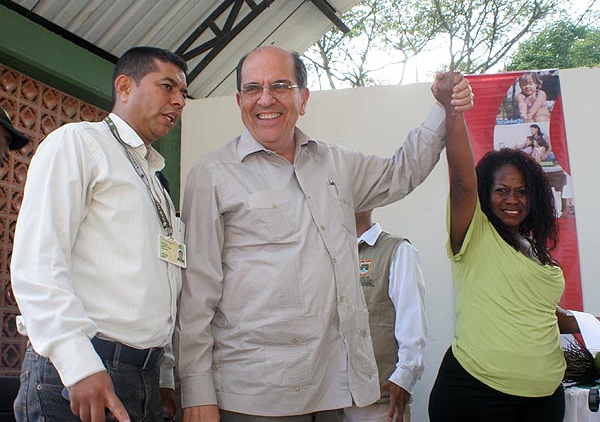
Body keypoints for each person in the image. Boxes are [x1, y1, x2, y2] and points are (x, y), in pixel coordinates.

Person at [176, 45, 473, 422]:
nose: (265, 99)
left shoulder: (335, 163)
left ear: (303, 98)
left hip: (333, 390)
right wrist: (196, 390)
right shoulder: (212, 174)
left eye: (280, 86)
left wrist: (443, 108)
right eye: (252, 88)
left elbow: (401, 172)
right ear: (239, 101)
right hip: (255, 397)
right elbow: (196, 291)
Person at [11, 46, 188, 422]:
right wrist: (77, 363)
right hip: (83, 371)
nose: (179, 100)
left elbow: (161, 281)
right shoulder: (78, 143)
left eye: (183, 93)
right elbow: (38, 264)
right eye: (167, 86)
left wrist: (163, 375)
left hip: (145, 377)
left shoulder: (156, 181)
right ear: (124, 87)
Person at [428, 71, 579, 422]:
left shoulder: (533, 248)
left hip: (544, 399)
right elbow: (462, 181)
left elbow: (540, 312)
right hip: (477, 396)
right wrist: (453, 112)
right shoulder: (473, 232)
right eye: (502, 190)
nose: (513, 199)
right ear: (486, 193)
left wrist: (588, 324)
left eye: (522, 191)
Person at [343, 210, 427, 422]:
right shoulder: (326, 254)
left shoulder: (397, 250)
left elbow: (412, 320)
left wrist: (404, 377)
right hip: (330, 400)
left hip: (379, 401)